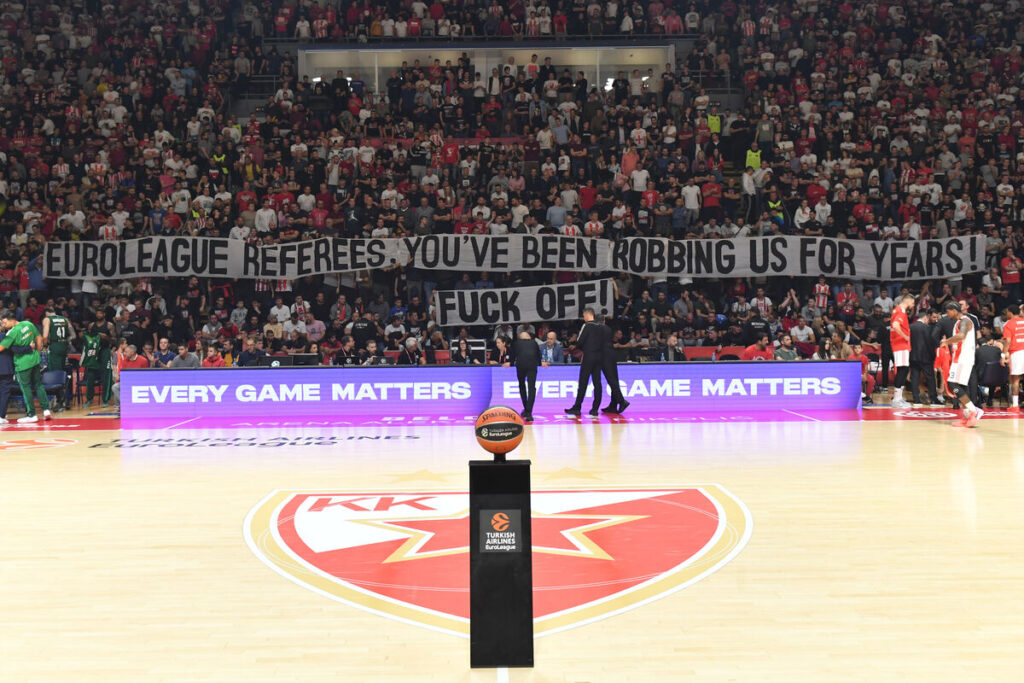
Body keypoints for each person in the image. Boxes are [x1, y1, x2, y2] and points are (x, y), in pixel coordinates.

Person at [0, 312, 51, 423]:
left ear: (11, 320)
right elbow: (39, 338)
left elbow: (1, 348)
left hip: (22, 364)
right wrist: (37, 353)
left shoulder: (12, 332)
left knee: (26, 388)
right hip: (34, 360)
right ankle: (46, 410)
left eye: (4, 322)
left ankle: (32, 415)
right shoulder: (28, 324)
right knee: (38, 385)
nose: (4, 325)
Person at [939, 301, 982, 427]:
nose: (947, 314)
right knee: (961, 388)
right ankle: (967, 417)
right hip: (960, 358)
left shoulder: (965, 321)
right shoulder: (959, 322)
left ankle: (973, 410)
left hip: (963, 359)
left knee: (952, 384)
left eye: (948, 312)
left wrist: (946, 341)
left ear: (954, 310)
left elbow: (961, 335)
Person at [565, 308, 603, 416]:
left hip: (589, 356)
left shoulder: (586, 325)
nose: (583, 317)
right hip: (599, 356)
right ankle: (595, 409)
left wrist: (576, 345)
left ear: (587, 314)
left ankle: (577, 407)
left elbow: (580, 341)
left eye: (583, 315)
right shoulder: (600, 326)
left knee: (583, 382)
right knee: (597, 383)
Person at [0, 325, 32, 424]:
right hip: (5, 369)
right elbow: (15, 349)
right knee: (4, 392)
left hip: (4, 368)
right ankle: (0, 416)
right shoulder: (5, 336)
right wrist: (29, 347)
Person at [909, 311, 942, 407]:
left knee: (915, 378)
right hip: (925, 357)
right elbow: (930, 343)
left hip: (913, 356)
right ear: (925, 318)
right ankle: (933, 399)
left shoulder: (911, 327)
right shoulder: (927, 328)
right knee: (930, 378)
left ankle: (916, 399)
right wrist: (933, 356)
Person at [599, 317, 628, 413]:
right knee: (614, 379)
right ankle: (613, 404)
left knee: (612, 380)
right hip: (612, 355)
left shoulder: (598, 330)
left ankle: (622, 401)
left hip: (605, 356)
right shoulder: (608, 329)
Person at [889, 293, 914, 408]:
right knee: (903, 370)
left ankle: (899, 397)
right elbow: (895, 325)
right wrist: (905, 336)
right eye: (912, 303)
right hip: (900, 344)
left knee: (904, 369)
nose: (913, 305)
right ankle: (896, 399)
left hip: (901, 345)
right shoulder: (900, 311)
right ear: (908, 301)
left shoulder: (898, 310)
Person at [512, 330, 541, 421]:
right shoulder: (534, 343)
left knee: (522, 385)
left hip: (520, 365)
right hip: (532, 365)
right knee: (532, 388)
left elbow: (512, 355)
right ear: (528, 337)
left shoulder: (516, 343)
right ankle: (529, 412)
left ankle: (526, 408)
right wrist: (539, 363)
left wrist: (511, 363)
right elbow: (538, 355)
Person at [1000, 307, 1024, 411]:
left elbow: (1008, 341)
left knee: (1015, 380)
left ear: (1010, 313)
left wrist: (1003, 355)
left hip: (1017, 353)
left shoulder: (1008, 324)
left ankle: (1015, 406)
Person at [41, 306, 74, 372]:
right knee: (62, 367)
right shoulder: (65, 319)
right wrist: (66, 340)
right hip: (64, 346)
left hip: (54, 345)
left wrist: (44, 346)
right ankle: (63, 381)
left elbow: (45, 337)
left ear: (46, 313)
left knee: (54, 368)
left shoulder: (47, 319)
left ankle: (55, 381)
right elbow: (73, 335)